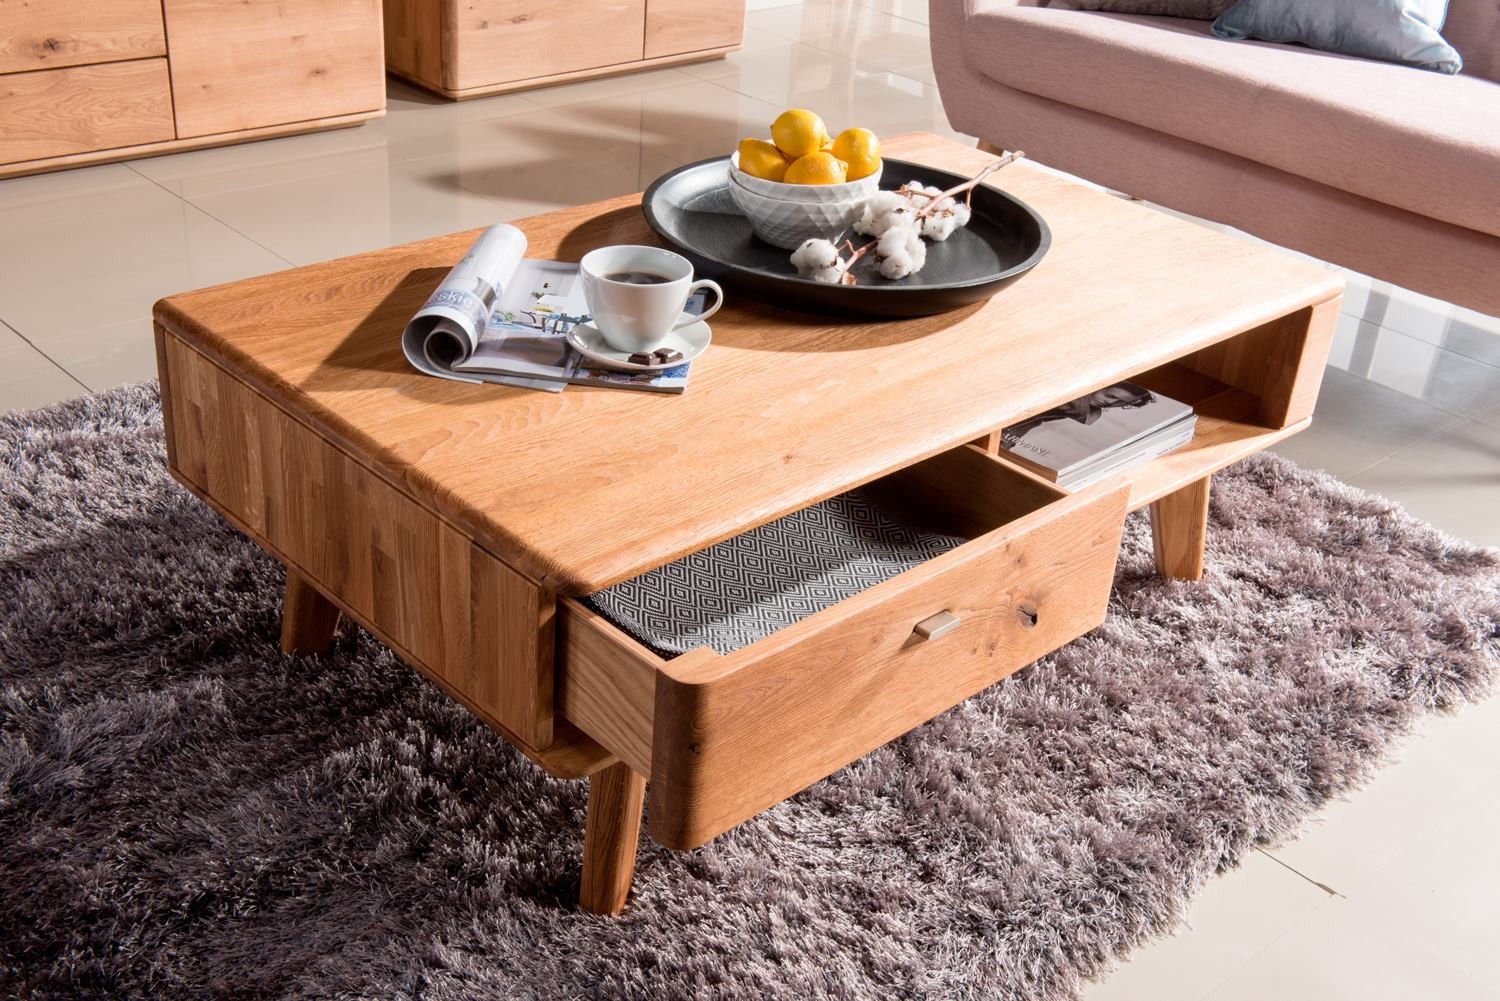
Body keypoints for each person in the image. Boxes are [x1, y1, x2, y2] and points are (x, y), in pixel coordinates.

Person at [1005, 383, 1155, 442]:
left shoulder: (1091, 414)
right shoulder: (1078, 404)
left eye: (1121, 403)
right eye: (1110, 396)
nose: (1109, 403)